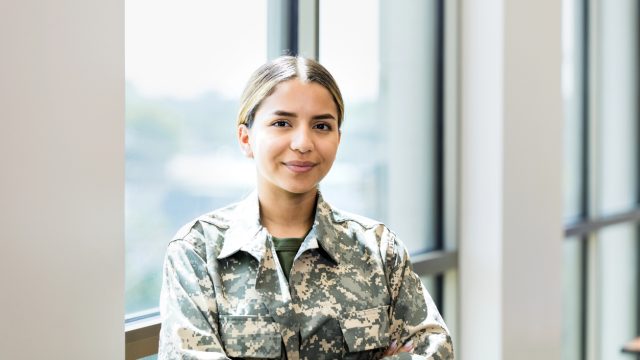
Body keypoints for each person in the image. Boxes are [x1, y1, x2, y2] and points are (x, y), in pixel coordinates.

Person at [158, 56, 454, 359]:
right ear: (245, 138)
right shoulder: (197, 251)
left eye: (322, 126)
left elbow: (434, 348)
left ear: (338, 138)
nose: (303, 143)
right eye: (282, 123)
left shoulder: (379, 249)